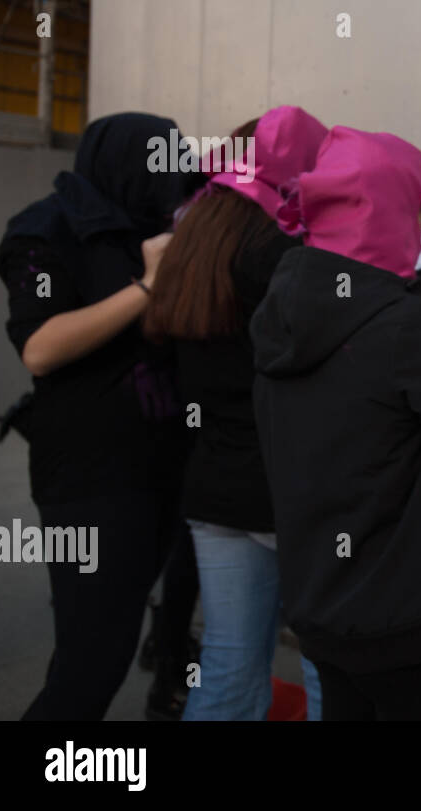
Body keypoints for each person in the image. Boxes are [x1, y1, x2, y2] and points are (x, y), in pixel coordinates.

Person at [251, 126, 421, 721]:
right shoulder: (414, 326)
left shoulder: (278, 310)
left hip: (322, 609)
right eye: (419, 213)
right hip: (414, 620)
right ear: (394, 212)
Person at [0, 112, 201, 720]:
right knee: (94, 660)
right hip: (88, 478)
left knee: (119, 636)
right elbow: (41, 348)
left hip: (164, 463)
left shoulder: (151, 221)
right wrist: (148, 287)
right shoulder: (46, 230)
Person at [143, 105, 328, 720]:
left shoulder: (192, 232)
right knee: (329, 668)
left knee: (228, 665)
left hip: (214, 486)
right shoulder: (281, 247)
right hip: (289, 489)